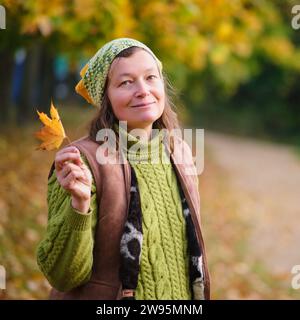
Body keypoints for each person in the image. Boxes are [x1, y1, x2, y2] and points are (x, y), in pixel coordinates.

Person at [36, 38, 210, 300]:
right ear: (105, 98)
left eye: (151, 77)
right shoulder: (83, 164)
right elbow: (64, 276)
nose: (143, 90)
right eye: (126, 82)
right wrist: (79, 206)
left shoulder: (181, 153)